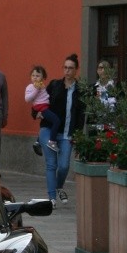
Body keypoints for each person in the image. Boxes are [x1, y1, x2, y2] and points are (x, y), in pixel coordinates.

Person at [40, 52, 85, 206]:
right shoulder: (54, 85)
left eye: (71, 68)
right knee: (51, 164)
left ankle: (59, 186)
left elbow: (81, 115)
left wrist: (77, 134)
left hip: (67, 134)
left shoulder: (80, 90)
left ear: (76, 70)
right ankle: (52, 198)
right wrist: (37, 112)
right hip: (48, 130)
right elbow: (41, 99)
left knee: (64, 165)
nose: (67, 71)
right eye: (65, 68)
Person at [24, 65, 61, 153]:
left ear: (43, 78)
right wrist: (36, 90)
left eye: (37, 76)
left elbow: (46, 96)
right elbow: (27, 99)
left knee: (49, 122)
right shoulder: (30, 87)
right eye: (33, 76)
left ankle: (38, 141)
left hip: (46, 106)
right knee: (56, 121)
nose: (35, 78)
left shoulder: (43, 86)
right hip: (41, 107)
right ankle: (52, 141)